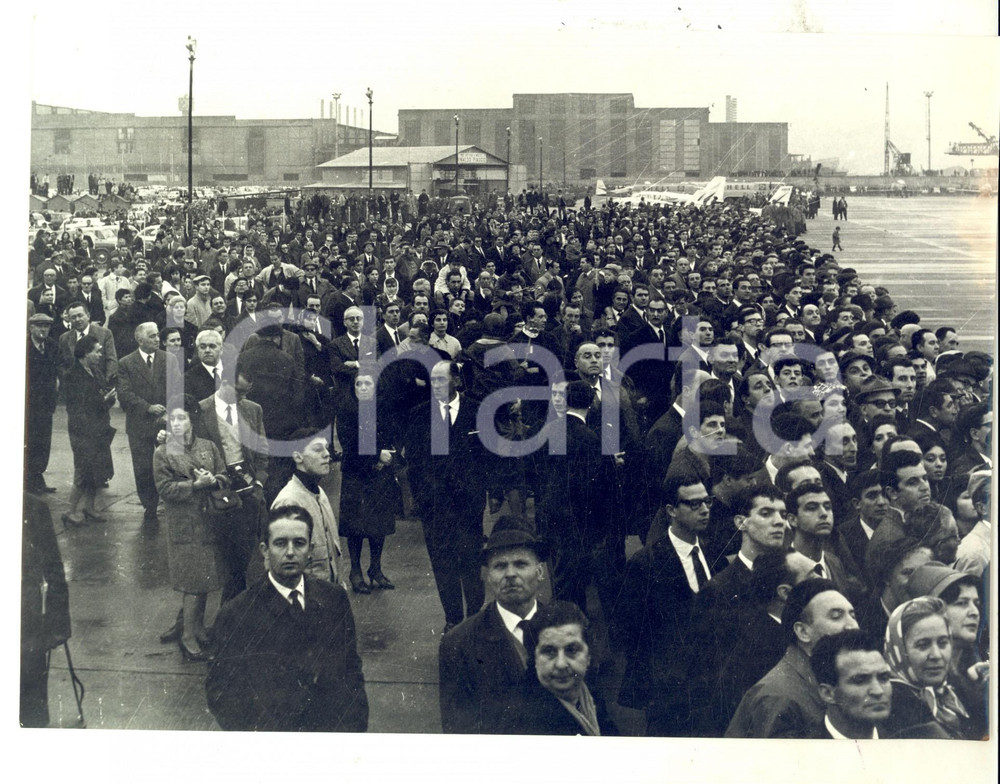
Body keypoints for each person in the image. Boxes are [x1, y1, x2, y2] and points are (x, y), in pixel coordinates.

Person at [206, 505, 369, 732]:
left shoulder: (334, 599)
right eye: (280, 543)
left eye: (299, 543)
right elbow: (222, 695)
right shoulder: (237, 613)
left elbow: (351, 673)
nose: (290, 552)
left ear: (310, 549)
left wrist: (352, 731)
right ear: (265, 550)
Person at [438, 518, 548, 734]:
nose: (510, 574)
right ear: (487, 576)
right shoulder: (458, 644)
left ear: (540, 572)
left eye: (520, 564)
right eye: (500, 566)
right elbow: (459, 730)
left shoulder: (569, 628)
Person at [405, 360, 487, 632]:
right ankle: (452, 620)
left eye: (441, 380)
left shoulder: (477, 411)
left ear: (456, 381)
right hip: (435, 507)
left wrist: (483, 492)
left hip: (469, 505)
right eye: (432, 380)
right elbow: (414, 464)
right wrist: (424, 498)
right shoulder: (418, 415)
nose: (435, 385)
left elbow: (488, 456)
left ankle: (475, 620)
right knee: (443, 565)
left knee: (471, 564)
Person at [725, 579, 860, 738]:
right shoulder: (780, 697)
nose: (852, 626)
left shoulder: (823, 675)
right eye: (836, 616)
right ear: (803, 632)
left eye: (853, 615)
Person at [152, 395, 228, 662]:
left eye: (181, 417)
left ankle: (197, 628)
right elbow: (164, 488)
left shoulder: (208, 447)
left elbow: (223, 473)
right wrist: (194, 486)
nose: (175, 423)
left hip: (209, 521)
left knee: (205, 579)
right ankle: (187, 636)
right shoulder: (163, 453)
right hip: (184, 525)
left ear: (192, 420)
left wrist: (214, 479)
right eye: (171, 418)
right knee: (192, 583)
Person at [500, 600, 617, 735]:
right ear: (534, 659)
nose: (561, 664)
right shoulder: (524, 722)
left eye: (572, 650)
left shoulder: (587, 692)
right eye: (549, 651)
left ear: (589, 655)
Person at [906, 562, 989, 739]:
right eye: (961, 603)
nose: (974, 612)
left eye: (976, 603)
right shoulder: (918, 682)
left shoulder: (974, 667)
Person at [336, 373, 400, 593]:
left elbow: (392, 435)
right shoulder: (346, 410)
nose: (363, 388)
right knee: (355, 524)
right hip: (356, 473)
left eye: (367, 383)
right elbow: (349, 442)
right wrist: (376, 457)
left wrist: (387, 457)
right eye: (358, 384)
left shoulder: (383, 408)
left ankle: (375, 568)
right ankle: (355, 571)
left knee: (379, 521)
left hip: (380, 473)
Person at [117, 321, 179, 528]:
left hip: (166, 421)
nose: (157, 340)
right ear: (140, 339)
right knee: (143, 467)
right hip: (139, 423)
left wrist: (169, 412)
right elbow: (124, 394)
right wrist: (147, 407)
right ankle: (150, 506)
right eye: (152, 336)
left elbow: (177, 389)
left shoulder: (169, 359)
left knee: (172, 464)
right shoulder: (126, 363)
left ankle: (173, 502)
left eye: (157, 336)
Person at [881, 596, 971, 738]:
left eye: (942, 643)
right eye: (923, 645)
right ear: (899, 649)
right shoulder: (888, 705)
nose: (936, 655)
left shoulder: (959, 692)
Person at [21, 493, 72, 727]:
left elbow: (54, 570)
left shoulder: (32, 508)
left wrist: (58, 624)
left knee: (31, 713)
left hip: (26, 627)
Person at [271, 433, 341, 583]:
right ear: (298, 457)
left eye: (327, 449)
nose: (327, 454)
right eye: (317, 449)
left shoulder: (319, 492)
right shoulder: (289, 502)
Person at [62, 333, 117, 526]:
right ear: (85, 353)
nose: (100, 355)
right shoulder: (72, 376)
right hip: (83, 432)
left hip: (99, 428)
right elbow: (77, 408)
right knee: (83, 471)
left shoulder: (95, 371)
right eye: (97, 351)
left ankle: (89, 507)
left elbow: (98, 398)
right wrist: (103, 402)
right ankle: (70, 511)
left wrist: (107, 400)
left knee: (97, 470)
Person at [809, 629, 893, 739]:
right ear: (828, 693)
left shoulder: (904, 746)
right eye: (860, 680)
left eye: (884, 678)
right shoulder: (803, 752)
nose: (878, 691)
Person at [26, 313, 60, 494]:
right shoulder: (24, 346)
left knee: (43, 442)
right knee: (29, 441)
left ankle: (37, 476)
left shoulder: (53, 346)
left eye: (46, 326)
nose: (43, 330)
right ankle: (29, 479)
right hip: (28, 404)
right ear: (31, 328)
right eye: (39, 326)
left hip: (46, 403)